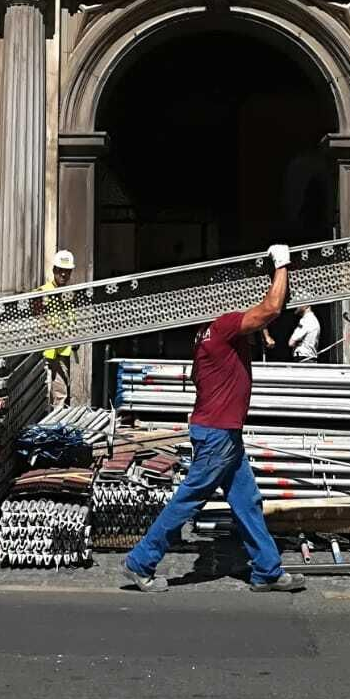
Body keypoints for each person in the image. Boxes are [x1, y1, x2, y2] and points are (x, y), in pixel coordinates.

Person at [122, 245, 304, 594]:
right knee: (188, 499)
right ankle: (140, 561)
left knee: (246, 501)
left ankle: (267, 570)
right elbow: (270, 309)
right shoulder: (222, 327)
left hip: (221, 432)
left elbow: (198, 377)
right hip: (218, 435)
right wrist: (282, 265)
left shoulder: (203, 334)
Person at [41, 250, 76, 405]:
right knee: (43, 392)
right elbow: (36, 321)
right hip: (45, 352)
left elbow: (72, 319)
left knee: (61, 393)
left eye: (67, 272)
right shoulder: (42, 293)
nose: (64, 275)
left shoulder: (69, 294)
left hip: (62, 352)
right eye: (61, 271)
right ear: (54, 270)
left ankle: (56, 427)